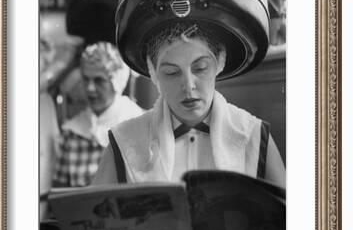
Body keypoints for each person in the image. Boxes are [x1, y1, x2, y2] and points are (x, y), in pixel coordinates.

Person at [93, 21, 285, 187]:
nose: (188, 86)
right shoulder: (124, 142)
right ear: (154, 73)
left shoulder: (253, 136)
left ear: (219, 61)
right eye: (172, 73)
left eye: (200, 68)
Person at [53, 42, 143, 187]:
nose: (90, 88)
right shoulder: (72, 133)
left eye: (99, 80)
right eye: (86, 79)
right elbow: (60, 195)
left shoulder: (139, 125)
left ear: (116, 81)